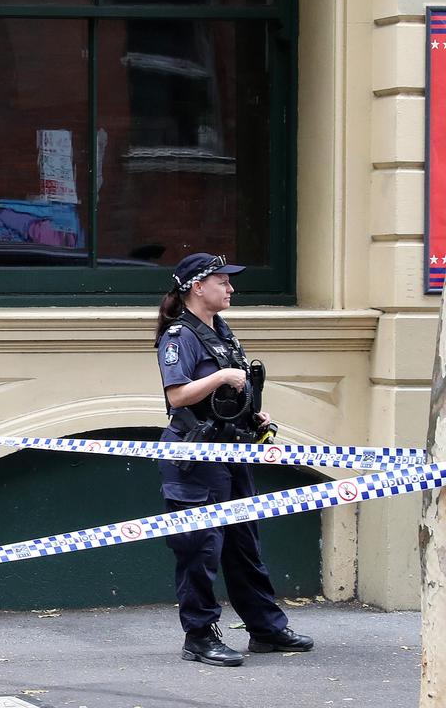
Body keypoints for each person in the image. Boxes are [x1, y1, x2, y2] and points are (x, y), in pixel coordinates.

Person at [154, 252, 314, 667]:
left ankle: (265, 629)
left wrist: (252, 412)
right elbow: (177, 396)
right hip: (195, 457)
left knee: (244, 546)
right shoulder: (179, 336)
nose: (231, 289)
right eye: (223, 281)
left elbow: (227, 396)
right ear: (196, 287)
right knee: (200, 550)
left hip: (231, 452)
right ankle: (199, 636)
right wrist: (222, 377)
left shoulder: (221, 332)